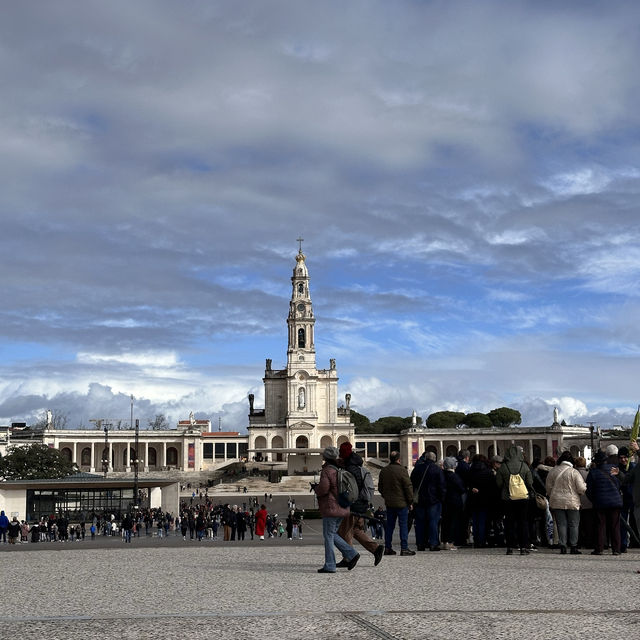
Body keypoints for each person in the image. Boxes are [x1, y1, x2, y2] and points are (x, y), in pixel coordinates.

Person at [336, 442, 384, 567]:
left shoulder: (348, 470)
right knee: (356, 529)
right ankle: (376, 548)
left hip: (352, 506)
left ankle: (349, 557)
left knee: (344, 532)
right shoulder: (360, 468)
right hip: (362, 504)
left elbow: (347, 489)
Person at [312, 446, 360, 573]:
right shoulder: (340, 468)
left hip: (331, 507)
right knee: (332, 534)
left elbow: (324, 489)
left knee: (328, 536)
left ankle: (331, 564)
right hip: (342, 507)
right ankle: (351, 554)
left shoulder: (327, 470)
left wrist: (316, 489)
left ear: (325, 457)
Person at [495, 445, 534, 555]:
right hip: (523, 497)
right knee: (523, 522)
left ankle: (510, 547)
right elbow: (530, 483)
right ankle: (523, 547)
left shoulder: (503, 467)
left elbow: (498, 483)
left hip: (507, 498)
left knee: (509, 522)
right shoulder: (524, 466)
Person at [545, 451, 586, 554]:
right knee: (574, 524)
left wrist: (553, 495)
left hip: (557, 501)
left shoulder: (553, 471)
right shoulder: (574, 472)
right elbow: (581, 489)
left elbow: (548, 488)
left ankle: (562, 546)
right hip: (572, 501)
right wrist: (584, 487)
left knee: (561, 524)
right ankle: (573, 546)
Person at [378, 451, 415, 556]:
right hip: (402, 503)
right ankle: (404, 548)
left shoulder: (384, 471)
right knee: (403, 525)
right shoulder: (402, 470)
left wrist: (386, 496)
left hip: (389, 503)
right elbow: (408, 487)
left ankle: (388, 548)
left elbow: (380, 487)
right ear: (399, 459)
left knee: (389, 526)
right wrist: (410, 501)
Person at [586, 450, 622, 555]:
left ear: (596, 462)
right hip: (615, 501)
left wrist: (594, 500)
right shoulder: (613, 469)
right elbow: (619, 484)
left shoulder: (593, 472)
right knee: (615, 526)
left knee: (600, 525)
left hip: (600, 502)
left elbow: (589, 490)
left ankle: (599, 548)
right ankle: (616, 549)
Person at [410, 450, 445, 551]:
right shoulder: (437, 470)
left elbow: (412, 483)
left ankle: (421, 543)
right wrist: (442, 499)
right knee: (433, 522)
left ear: (425, 458)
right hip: (433, 500)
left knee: (420, 522)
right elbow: (442, 486)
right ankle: (433, 543)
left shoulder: (417, 469)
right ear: (434, 459)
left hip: (420, 499)